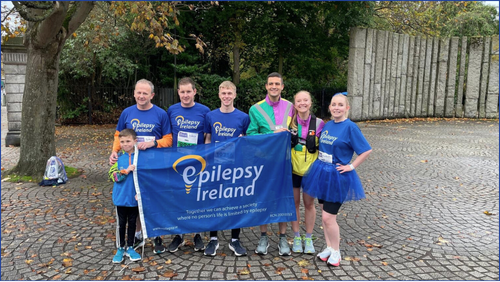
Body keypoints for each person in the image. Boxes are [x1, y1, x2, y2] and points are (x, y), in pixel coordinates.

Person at [302, 92, 372, 267]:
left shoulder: (350, 127)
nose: (336, 108)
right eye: (333, 104)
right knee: (324, 213)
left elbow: (366, 150)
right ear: (329, 107)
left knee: (328, 218)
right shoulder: (327, 125)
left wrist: (351, 166)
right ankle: (328, 247)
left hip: (338, 176)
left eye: (340, 105)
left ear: (347, 108)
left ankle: (336, 251)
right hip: (322, 173)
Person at [109, 79, 172, 255]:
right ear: (134, 93)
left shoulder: (161, 114)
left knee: (154, 200)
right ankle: (137, 234)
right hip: (132, 165)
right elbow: (118, 135)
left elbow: (169, 139)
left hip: (154, 166)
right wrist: (115, 151)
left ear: (152, 95)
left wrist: (153, 143)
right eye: (139, 92)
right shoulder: (127, 113)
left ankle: (157, 235)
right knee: (134, 200)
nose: (141, 96)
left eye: (145, 93)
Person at [247, 72, 294, 256]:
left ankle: (283, 238)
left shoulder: (292, 107)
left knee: (283, 198)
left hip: (285, 161)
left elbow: (299, 128)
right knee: (263, 198)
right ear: (266, 86)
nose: (274, 86)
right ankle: (264, 236)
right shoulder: (255, 109)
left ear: (282, 86)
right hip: (264, 162)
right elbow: (251, 135)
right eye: (270, 84)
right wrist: (271, 136)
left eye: (277, 83)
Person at [202, 81, 250, 257]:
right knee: (214, 202)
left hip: (235, 168)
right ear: (219, 95)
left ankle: (235, 239)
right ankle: (213, 239)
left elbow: (247, 141)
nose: (226, 96)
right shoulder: (210, 116)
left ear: (235, 95)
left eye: (230, 93)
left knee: (235, 202)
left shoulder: (244, 118)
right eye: (224, 93)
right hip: (215, 167)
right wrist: (207, 163)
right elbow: (207, 139)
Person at [166, 77, 210, 253]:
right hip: (177, 163)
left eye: (188, 91)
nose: (185, 95)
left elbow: (209, 136)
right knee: (178, 198)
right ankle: (179, 234)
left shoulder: (205, 111)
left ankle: (197, 234)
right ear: (178, 92)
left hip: (198, 163)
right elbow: (168, 136)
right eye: (182, 92)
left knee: (196, 199)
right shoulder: (171, 110)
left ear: (194, 92)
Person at [289, 91, 325, 254]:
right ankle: (297, 237)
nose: (302, 103)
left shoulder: (319, 123)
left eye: (305, 100)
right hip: (293, 170)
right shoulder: (290, 122)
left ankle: (308, 237)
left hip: (311, 171)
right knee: (295, 204)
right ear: (294, 104)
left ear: (310, 103)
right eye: (299, 101)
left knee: (309, 204)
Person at [109, 129, 142, 263]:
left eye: (128, 141)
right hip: (121, 198)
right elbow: (113, 176)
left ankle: (130, 247)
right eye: (122, 142)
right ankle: (120, 248)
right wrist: (126, 171)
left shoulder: (140, 158)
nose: (125, 144)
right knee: (121, 224)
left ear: (135, 141)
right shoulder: (118, 158)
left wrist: (140, 193)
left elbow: (144, 178)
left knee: (133, 223)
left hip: (134, 198)